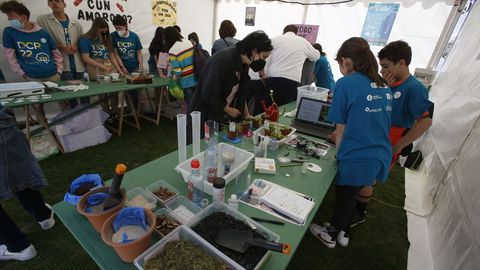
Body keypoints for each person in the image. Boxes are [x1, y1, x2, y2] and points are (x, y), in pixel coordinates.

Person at [309, 37, 392, 248]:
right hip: (379, 152)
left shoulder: (344, 84)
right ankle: (344, 231)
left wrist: (339, 154)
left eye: (340, 63)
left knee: (345, 194)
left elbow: (341, 128)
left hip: (357, 154)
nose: (340, 68)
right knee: (354, 193)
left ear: (346, 61)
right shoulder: (383, 85)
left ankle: (330, 234)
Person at [351, 40, 433, 227]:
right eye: (381, 66)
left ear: (402, 63)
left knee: (367, 176)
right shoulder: (386, 82)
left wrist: (399, 145)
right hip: (373, 134)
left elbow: (426, 121)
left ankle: (359, 213)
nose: (382, 71)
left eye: (386, 66)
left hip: (390, 138)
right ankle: (355, 207)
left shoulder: (414, 89)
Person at [0, 103, 55, 261]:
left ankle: (18, 247)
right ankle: (44, 216)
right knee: (19, 176)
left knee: (20, 177)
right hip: (5, 128)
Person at [189, 31, 273, 129]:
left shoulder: (244, 62)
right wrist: (228, 109)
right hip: (205, 114)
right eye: (263, 57)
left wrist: (246, 114)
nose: (264, 62)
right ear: (254, 51)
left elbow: (241, 91)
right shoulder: (224, 61)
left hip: (220, 115)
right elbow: (208, 93)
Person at [37, 0, 88, 107]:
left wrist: (76, 46)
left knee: (85, 95)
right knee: (69, 97)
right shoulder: (43, 20)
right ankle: (73, 121)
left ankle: (88, 121)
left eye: (57, 1)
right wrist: (61, 47)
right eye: (51, 1)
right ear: (48, 4)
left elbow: (81, 41)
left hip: (78, 65)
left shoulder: (76, 24)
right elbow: (42, 41)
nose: (54, 3)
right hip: (62, 66)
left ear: (64, 4)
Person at [1, 0, 63, 82]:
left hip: (53, 75)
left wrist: (59, 71)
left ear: (23, 17)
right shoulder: (9, 32)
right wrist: (21, 73)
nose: (8, 19)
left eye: (10, 16)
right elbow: (10, 56)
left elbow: (55, 52)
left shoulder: (42, 32)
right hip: (31, 77)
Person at [264, 25, 319, 106]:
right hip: (291, 81)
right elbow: (316, 55)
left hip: (273, 79)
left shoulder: (275, 39)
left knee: (269, 108)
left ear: (283, 32)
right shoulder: (302, 41)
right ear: (296, 33)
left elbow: (265, 55)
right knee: (285, 109)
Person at [78, 17, 123, 115]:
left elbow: (111, 55)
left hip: (107, 65)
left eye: (105, 30)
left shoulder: (106, 38)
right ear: (95, 28)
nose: (104, 32)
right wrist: (102, 67)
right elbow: (86, 58)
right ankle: (106, 113)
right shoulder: (85, 39)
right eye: (101, 30)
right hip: (95, 67)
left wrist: (119, 70)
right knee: (103, 91)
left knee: (114, 89)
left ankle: (115, 111)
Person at [111, 14, 144, 107]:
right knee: (127, 89)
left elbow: (138, 52)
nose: (118, 30)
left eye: (120, 28)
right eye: (116, 28)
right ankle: (131, 109)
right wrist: (122, 67)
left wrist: (141, 65)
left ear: (125, 26)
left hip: (134, 66)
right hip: (123, 66)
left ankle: (137, 108)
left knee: (136, 88)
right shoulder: (113, 36)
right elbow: (115, 53)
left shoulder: (134, 36)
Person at [164, 26, 197, 108]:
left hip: (186, 82)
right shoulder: (188, 42)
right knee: (197, 105)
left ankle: (189, 120)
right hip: (197, 77)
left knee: (190, 106)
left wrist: (171, 76)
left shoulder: (172, 50)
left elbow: (178, 71)